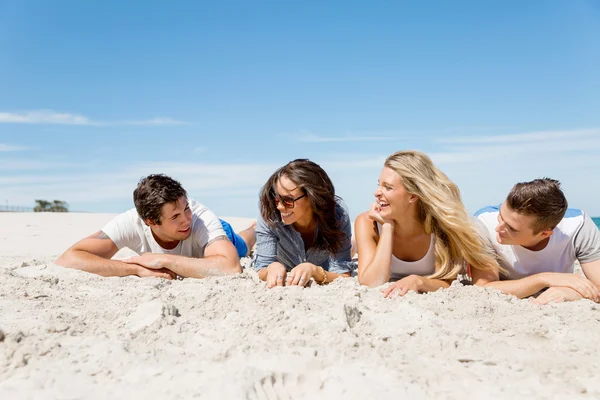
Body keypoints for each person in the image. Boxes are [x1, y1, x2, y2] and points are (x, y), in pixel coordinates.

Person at [355, 150, 499, 297]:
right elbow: (370, 283)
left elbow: (448, 282)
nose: (377, 192)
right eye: (379, 184)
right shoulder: (367, 223)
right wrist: (387, 227)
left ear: (412, 196)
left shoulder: (440, 228)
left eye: (388, 187)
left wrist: (418, 282)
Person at [56, 174, 250, 279]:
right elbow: (68, 259)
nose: (185, 219)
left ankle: (254, 229)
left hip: (216, 234)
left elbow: (230, 267)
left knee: (243, 244)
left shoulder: (199, 218)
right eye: (175, 216)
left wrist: (162, 260)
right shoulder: (130, 222)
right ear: (150, 221)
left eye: (186, 208)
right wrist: (136, 269)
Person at [473, 178, 600, 304]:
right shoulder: (483, 222)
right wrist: (543, 279)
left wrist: (571, 293)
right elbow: (483, 287)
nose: (498, 227)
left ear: (545, 233)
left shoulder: (578, 226)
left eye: (511, 228)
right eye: (500, 216)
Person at [253, 159, 354, 288]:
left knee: (347, 249)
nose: (279, 206)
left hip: (322, 265)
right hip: (286, 262)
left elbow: (343, 275)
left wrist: (315, 271)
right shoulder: (269, 214)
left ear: (313, 197)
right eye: (276, 198)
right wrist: (271, 268)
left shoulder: (337, 217)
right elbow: (261, 267)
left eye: (287, 200)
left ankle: (353, 245)